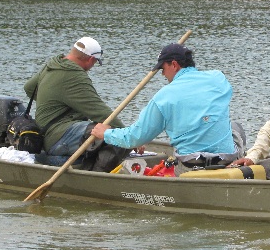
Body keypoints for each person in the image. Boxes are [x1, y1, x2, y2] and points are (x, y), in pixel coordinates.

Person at [90, 43, 244, 174]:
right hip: (226, 157)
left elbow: (135, 137)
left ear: (174, 65)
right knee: (236, 127)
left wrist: (106, 133)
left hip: (190, 163)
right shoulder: (218, 78)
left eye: (163, 69)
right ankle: (238, 162)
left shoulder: (163, 97)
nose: (163, 74)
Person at [24, 36, 129, 172]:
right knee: (112, 136)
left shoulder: (53, 64)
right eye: (95, 62)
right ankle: (96, 177)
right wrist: (128, 136)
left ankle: (78, 163)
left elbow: (29, 88)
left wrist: (54, 101)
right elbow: (99, 111)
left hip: (44, 133)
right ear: (91, 59)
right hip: (56, 138)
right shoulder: (75, 76)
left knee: (106, 132)